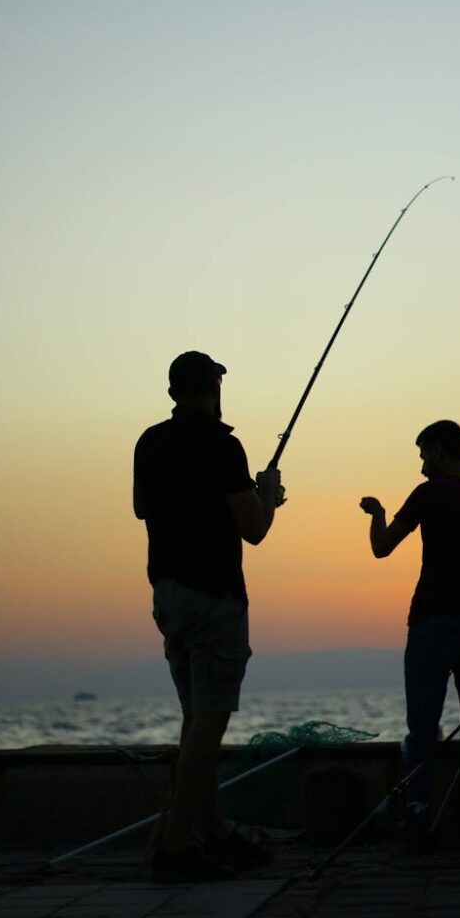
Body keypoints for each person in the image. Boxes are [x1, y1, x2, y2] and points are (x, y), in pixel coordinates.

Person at [134, 351, 284, 881]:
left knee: (196, 718)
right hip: (214, 597)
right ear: (212, 389)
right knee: (210, 720)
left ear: (174, 391)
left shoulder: (148, 442)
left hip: (167, 594)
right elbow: (256, 528)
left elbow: (141, 507)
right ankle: (176, 842)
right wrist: (267, 495)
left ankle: (214, 832)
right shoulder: (224, 445)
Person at [360, 420, 460, 849]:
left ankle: (420, 825)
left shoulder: (428, 495)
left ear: (442, 452)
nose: (421, 464)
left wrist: (377, 514)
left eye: (424, 454)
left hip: (430, 625)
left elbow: (382, 547)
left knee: (422, 733)